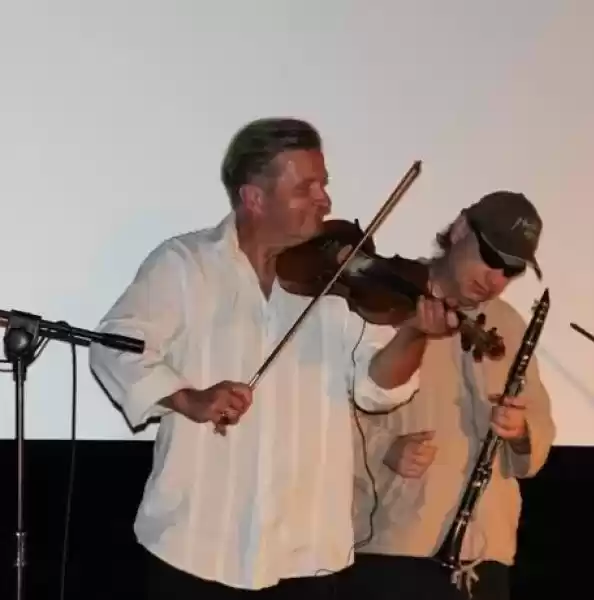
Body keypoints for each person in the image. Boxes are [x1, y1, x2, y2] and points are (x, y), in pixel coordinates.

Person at [88, 117, 456, 599]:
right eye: (306, 188)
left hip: (306, 551)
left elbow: (377, 388)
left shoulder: (340, 282)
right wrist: (187, 398)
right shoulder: (185, 265)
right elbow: (114, 346)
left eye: (324, 184)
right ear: (254, 198)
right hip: (195, 546)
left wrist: (413, 334)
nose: (325, 200)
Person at [342, 191, 556, 600]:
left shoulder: (510, 325)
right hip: (395, 548)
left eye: (511, 270)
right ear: (459, 230)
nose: (496, 280)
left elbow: (539, 429)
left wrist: (521, 433)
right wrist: (383, 448)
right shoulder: (380, 299)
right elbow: (321, 415)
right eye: (490, 257)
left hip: (486, 556)